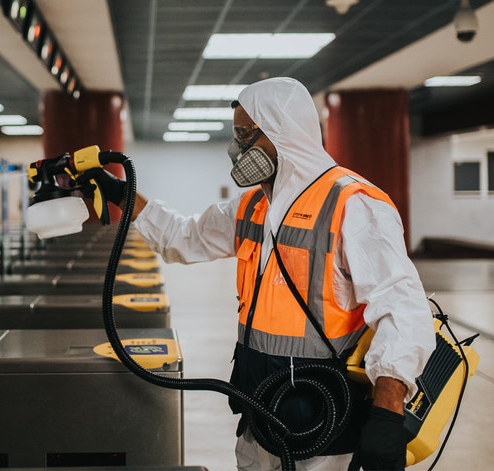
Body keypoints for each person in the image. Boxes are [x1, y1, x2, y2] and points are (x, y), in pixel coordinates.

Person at [93, 77, 435, 470]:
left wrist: (388, 413)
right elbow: (183, 237)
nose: (235, 148)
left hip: (324, 416)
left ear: (280, 133)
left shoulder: (353, 205)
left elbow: (402, 308)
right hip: (261, 409)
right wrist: (122, 194)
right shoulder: (254, 205)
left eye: (243, 135)